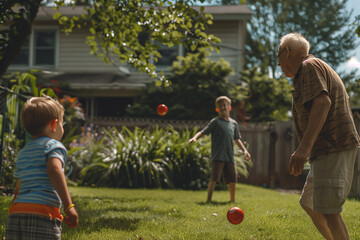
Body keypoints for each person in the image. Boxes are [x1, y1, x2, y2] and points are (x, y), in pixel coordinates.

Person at [278, 33, 360, 240]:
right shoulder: (308, 70)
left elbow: (323, 103)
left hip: (333, 145)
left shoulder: (309, 66)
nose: (278, 63)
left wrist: (304, 149)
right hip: (327, 148)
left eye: (278, 56)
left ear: (287, 52)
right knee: (309, 202)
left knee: (330, 210)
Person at [6, 96, 78, 239]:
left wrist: (14, 210)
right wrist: (69, 206)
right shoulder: (53, 146)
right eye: (62, 124)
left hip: (16, 214)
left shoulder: (24, 152)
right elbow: (54, 170)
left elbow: (19, 186)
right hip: (42, 214)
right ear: (54, 125)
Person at [189, 96, 251, 203]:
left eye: (224, 105)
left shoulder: (233, 124)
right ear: (217, 109)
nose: (222, 107)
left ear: (229, 107)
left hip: (229, 156)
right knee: (214, 178)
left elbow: (237, 139)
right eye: (220, 106)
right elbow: (203, 132)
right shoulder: (215, 122)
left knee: (232, 179)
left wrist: (245, 150)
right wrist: (194, 138)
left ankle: (232, 200)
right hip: (218, 155)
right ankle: (208, 200)